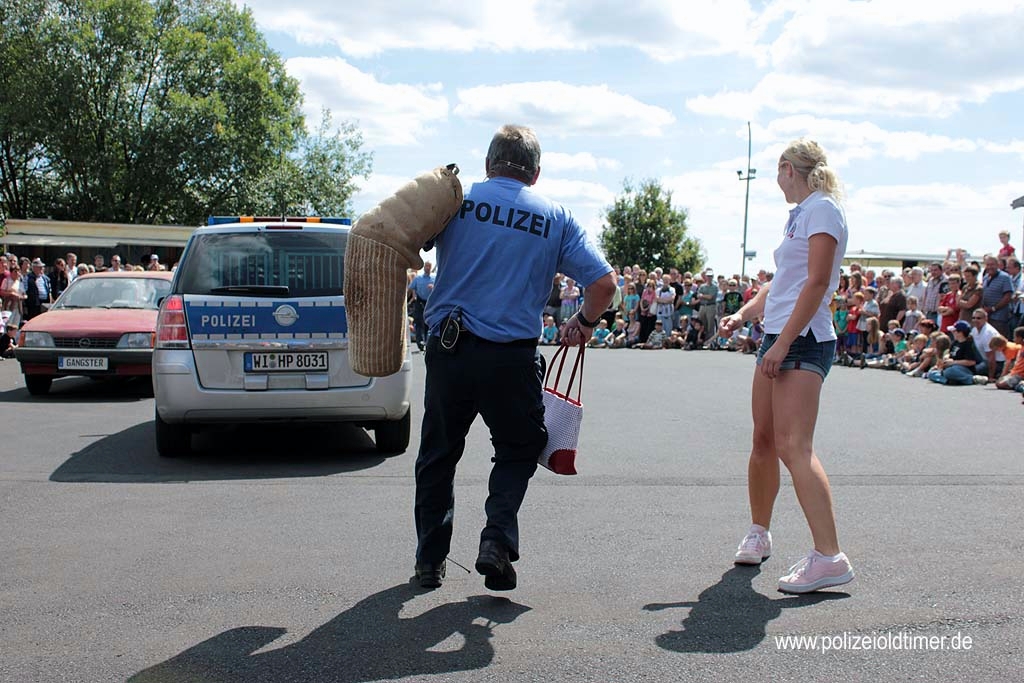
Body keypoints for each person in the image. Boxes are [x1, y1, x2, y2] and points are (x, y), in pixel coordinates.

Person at [414, 124, 615, 591]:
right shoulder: (556, 216)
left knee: (438, 454)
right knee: (520, 446)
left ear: (488, 164)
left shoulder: (454, 199)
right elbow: (604, 285)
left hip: (449, 348)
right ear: (536, 173)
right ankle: (496, 539)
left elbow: (401, 241)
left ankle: (429, 561)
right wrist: (584, 321)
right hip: (510, 358)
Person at [719, 137, 855, 593]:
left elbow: (817, 282)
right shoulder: (802, 214)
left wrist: (784, 342)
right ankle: (758, 532)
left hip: (802, 340)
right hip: (779, 337)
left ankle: (829, 556)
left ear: (787, 169)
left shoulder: (823, 209)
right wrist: (744, 314)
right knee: (763, 439)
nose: (777, 180)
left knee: (794, 446)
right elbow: (782, 282)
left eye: (778, 172)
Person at [927, 321, 984, 385]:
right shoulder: (955, 343)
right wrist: (946, 357)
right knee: (931, 373)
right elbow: (950, 353)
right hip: (951, 367)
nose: (952, 333)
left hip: (963, 369)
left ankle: (972, 379)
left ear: (960, 333)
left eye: (954, 331)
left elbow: (971, 362)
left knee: (950, 371)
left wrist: (953, 362)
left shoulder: (968, 344)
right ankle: (950, 381)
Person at [980, 254, 1014, 337]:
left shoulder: (1005, 277)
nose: (990, 267)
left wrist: (993, 308)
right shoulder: (986, 277)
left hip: (999, 317)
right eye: (988, 265)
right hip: (987, 316)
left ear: (997, 265)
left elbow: (1008, 296)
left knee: (998, 340)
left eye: (992, 264)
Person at [408, 261, 435, 352]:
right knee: (419, 322)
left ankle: (428, 342)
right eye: (426, 266)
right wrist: (411, 296)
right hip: (419, 302)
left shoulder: (434, 278)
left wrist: (434, 287)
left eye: (429, 266)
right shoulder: (418, 278)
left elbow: (441, 288)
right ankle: (420, 342)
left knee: (428, 322)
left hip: (430, 302)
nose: (427, 268)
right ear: (424, 267)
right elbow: (411, 288)